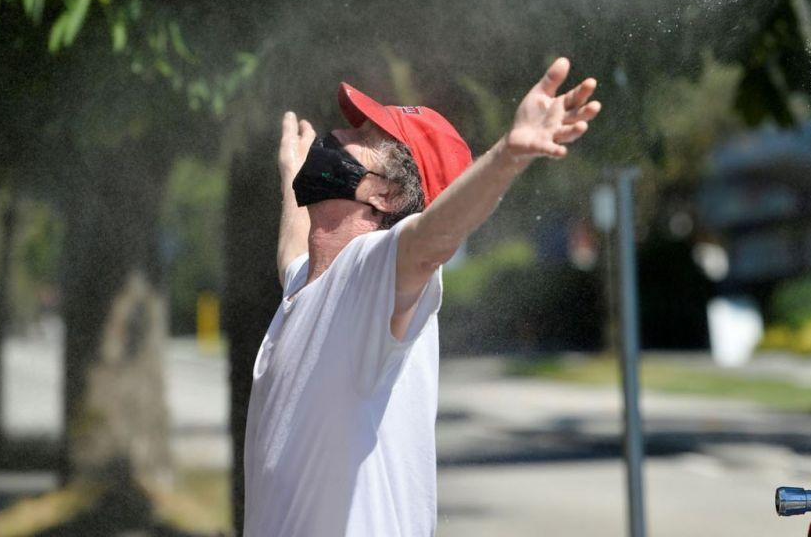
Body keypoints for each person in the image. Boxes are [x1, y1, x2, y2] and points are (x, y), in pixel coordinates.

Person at [243, 57, 600, 536]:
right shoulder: (309, 283)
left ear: (386, 196)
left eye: (362, 140)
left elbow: (433, 237)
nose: (336, 137)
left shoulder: (371, 276)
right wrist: (292, 172)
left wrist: (508, 156)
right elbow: (292, 249)